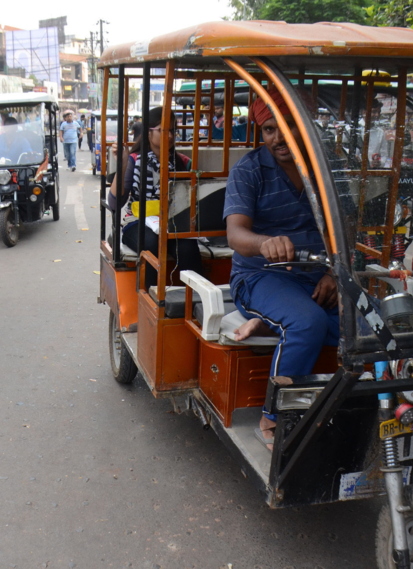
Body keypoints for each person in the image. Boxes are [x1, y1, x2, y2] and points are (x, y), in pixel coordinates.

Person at [223, 90, 338, 451]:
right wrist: (264, 243)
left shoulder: (324, 169)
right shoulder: (249, 170)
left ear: (306, 126)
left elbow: (343, 231)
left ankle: (361, 408)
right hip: (260, 276)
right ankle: (273, 419)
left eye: (288, 126)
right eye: (269, 129)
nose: (278, 138)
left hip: (316, 276)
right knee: (307, 322)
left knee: (374, 325)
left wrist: (334, 274)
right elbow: (235, 234)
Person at [107, 106, 206, 289]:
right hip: (137, 222)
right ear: (148, 132)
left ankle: (193, 300)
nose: (170, 136)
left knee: (188, 248)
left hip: (172, 223)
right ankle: (150, 299)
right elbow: (114, 203)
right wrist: (122, 164)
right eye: (164, 130)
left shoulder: (183, 162)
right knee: (151, 243)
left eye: (173, 131)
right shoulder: (134, 160)